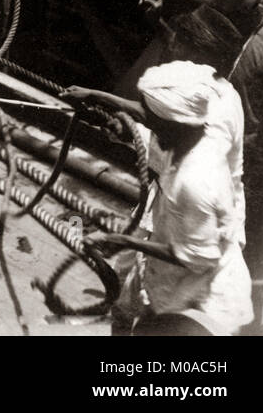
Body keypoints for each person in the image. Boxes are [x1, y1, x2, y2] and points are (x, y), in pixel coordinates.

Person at [64, 61, 252, 336]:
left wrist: (122, 240)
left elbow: (196, 258)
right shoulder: (188, 138)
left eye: (152, 120)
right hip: (175, 268)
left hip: (201, 300)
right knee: (126, 301)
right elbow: (151, 132)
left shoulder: (195, 179)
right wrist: (111, 115)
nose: (145, 121)